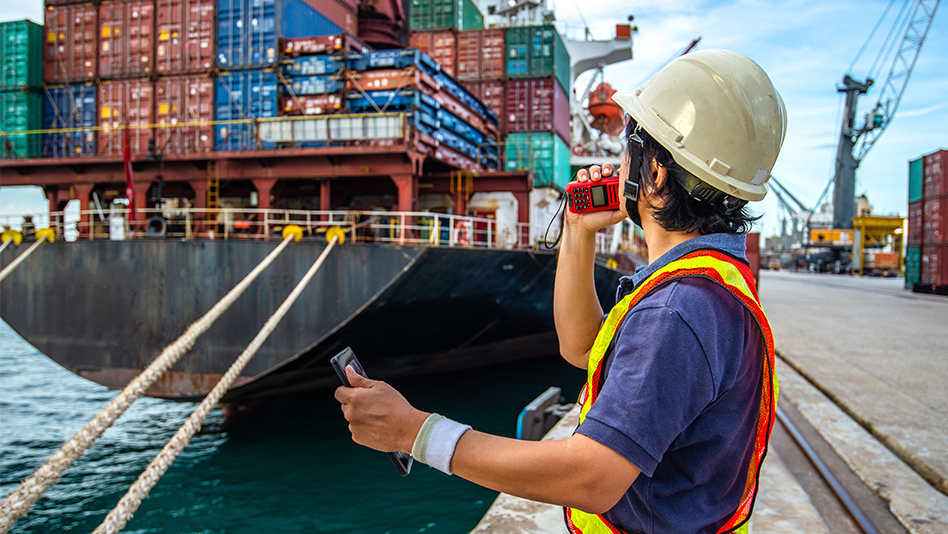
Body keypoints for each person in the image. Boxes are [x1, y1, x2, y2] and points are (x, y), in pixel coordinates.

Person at [336, 49, 786, 534]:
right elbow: (582, 348)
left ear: (654, 172)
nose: (617, 163)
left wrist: (415, 433)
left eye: (627, 148)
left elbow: (592, 477)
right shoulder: (711, 282)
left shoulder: (678, 309)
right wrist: (578, 230)